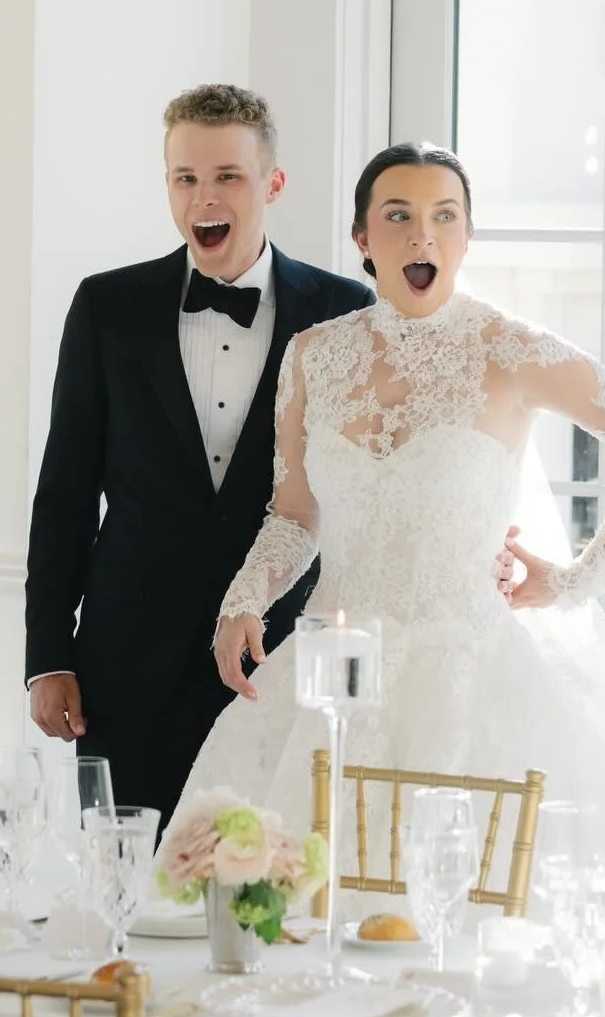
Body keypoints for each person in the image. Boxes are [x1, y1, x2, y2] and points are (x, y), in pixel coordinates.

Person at [178, 141, 605, 912]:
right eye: (398, 216)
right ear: (363, 239)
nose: (422, 235)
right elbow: (295, 516)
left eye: (443, 216)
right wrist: (244, 598)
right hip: (332, 680)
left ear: (465, 237)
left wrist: (573, 580)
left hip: (471, 680)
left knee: (468, 925)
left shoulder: (511, 350)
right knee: (289, 921)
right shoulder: (312, 358)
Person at [25, 85, 374, 829]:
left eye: (227, 177)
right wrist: (49, 656)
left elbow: (372, 481)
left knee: (268, 891)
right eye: (185, 178)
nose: (203, 198)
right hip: (126, 660)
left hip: (279, 661)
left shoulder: (345, 313)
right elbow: (64, 493)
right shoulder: (105, 307)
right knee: (122, 884)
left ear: (272, 185)